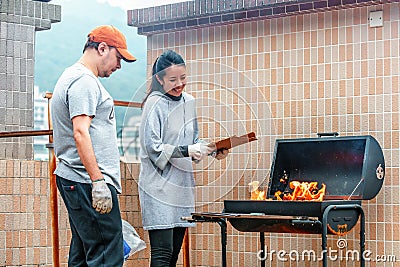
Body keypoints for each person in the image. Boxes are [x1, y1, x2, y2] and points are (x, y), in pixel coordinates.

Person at [51, 25, 136, 266]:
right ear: (102, 48)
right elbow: (80, 132)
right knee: (106, 254)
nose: (118, 66)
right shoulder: (83, 81)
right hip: (87, 181)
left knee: (83, 254)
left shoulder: (74, 77)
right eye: (118, 58)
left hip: (79, 181)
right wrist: (98, 182)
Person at [138, 50, 229, 267]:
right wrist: (189, 150)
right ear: (159, 79)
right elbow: (154, 148)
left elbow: (193, 140)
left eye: (183, 78)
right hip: (158, 189)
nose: (179, 84)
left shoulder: (189, 101)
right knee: (162, 254)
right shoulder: (154, 103)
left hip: (181, 188)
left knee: (173, 255)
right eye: (172, 80)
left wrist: (213, 149)